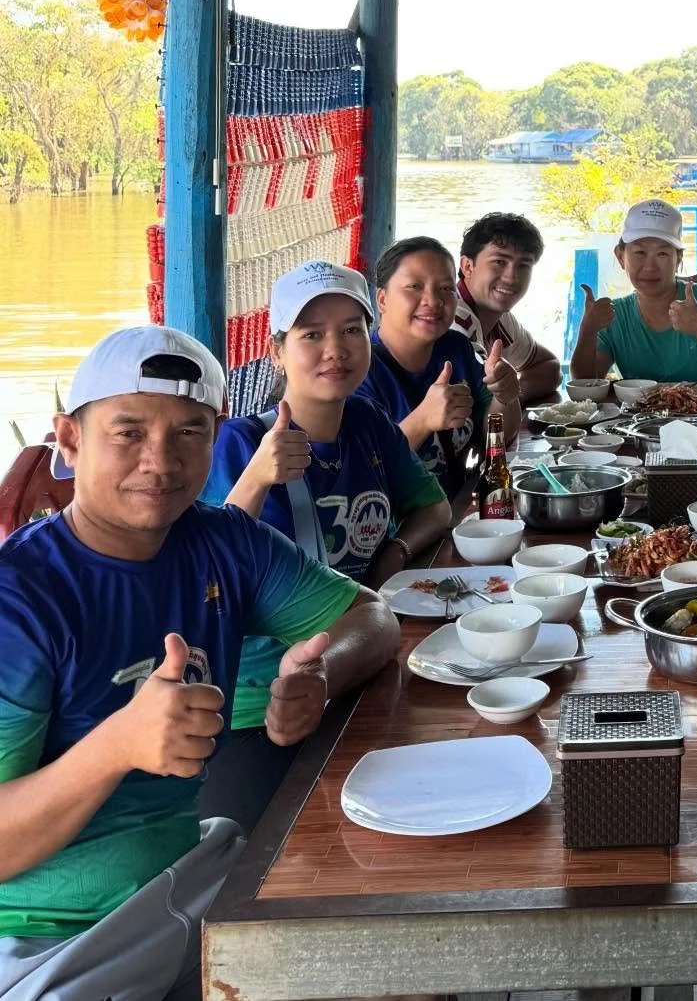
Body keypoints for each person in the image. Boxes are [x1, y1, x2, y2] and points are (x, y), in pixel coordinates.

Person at [0, 326, 398, 1001]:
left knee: (399, 963)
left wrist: (323, 677)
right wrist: (116, 746)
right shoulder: (21, 599)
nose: (161, 460)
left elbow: (374, 618)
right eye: (128, 432)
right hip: (51, 940)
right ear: (69, 439)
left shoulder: (222, 542)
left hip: (193, 879)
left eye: (188, 433)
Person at [199, 261, 450, 826]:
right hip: (259, 703)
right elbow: (210, 581)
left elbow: (433, 506)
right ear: (276, 351)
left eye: (351, 330)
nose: (334, 348)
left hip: (359, 656)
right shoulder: (239, 444)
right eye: (311, 334)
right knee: (265, 858)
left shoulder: (367, 422)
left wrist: (395, 555)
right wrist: (257, 479)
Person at [357, 236, 521, 508]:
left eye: (446, 288)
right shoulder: (361, 371)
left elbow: (500, 435)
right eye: (414, 287)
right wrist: (423, 420)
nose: (432, 300)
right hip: (402, 532)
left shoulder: (456, 348)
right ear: (382, 299)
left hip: (457, 512)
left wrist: (505, 394)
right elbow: (361, 473)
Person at [570, 199, 697, 385]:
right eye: (639, 253)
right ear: (620, 257)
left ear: (678, 259)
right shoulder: (614, 315)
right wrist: (587, 330)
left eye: (662, 253)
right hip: (638, 417)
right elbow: (585, 385)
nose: (650, 267)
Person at [452, 212, 562, 408]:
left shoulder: (500, 317)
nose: (511, 278)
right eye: (499, 262)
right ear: (468, 266)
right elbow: (471, 411)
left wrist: (510, 394)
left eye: (523, 265)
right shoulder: (453, 319)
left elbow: (550, 369)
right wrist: (501, 401)